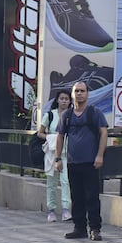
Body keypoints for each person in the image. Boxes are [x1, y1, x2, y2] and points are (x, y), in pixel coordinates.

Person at [55, 81, 108, 241]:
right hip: (72, 162)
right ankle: (79, 227)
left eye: (82, 91)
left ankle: (95, 228)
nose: (79, 94)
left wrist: (100, 155)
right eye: (76, 91)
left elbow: (104, 133)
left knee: (92, 196)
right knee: (76, 196)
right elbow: (60, 136)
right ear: (72, 94)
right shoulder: (67, 115)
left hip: (91, 162)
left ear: (87, 94)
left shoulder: (95, 113)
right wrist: (58, 158)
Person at [38, 89, 72, 222]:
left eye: (66, 99)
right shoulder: (50, 115)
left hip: (66, 153)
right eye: (62, 98)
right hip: (52, 153)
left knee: (66, 181)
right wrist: (51, 138)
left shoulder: (71, 115)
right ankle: (51, 210)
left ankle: (66, 209)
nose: (64, 101)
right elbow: (40, 133)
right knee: (51, 183)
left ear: (70, 101)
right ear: (57, 100)